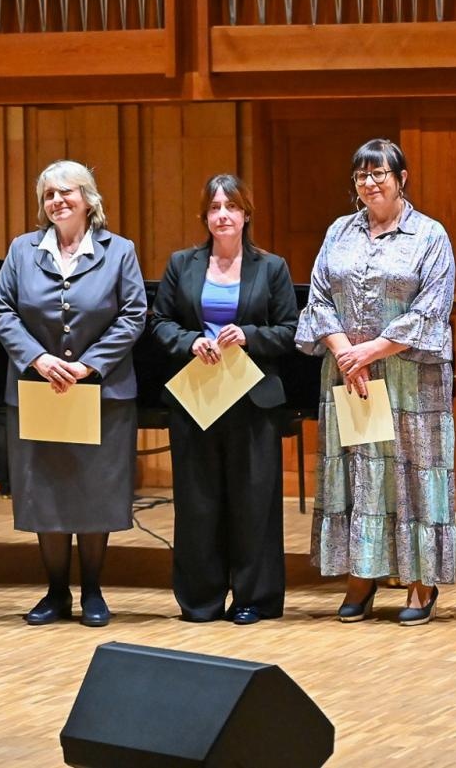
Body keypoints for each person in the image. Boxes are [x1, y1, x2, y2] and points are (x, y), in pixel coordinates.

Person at [296, 139, 456, 626]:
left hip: (411, 377)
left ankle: (420, 583)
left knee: (413, 473)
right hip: (350, 373)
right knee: (358, 472)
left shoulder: (429, 235)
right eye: (362, 175)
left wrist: (374, 348)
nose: (370, 182)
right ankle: (360, 578)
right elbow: (318, 297)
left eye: (379, 173)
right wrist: (346, 349)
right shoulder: (339, 232)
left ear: (401, 178)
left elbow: (433, 306)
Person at [0, 160, 147, 627]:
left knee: (94, 492)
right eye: (49, 195)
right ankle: (56, 591)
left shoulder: (119, 251)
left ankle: (94, 591)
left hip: (100, 393)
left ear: (88, 199)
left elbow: (134, 314)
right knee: (49, 494)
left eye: (67, 192)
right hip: (40, 391)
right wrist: (38, 359)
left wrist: (87, 364)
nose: (57, 201)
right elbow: (3, 312)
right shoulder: (22, 251)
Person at [150, 174, 299, 625]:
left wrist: (249, 335)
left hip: (253, 402)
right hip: (198, 399)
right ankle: (201, 599)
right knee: (198, 503)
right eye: (214, 208)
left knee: (254, 504)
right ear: (205, 216)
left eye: (231, 207)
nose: (222, 215)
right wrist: (191, 341)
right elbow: (159, 322)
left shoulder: (271, 268)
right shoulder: (182, 263)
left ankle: (256, 598)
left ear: (246, 214)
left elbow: (290, 330)